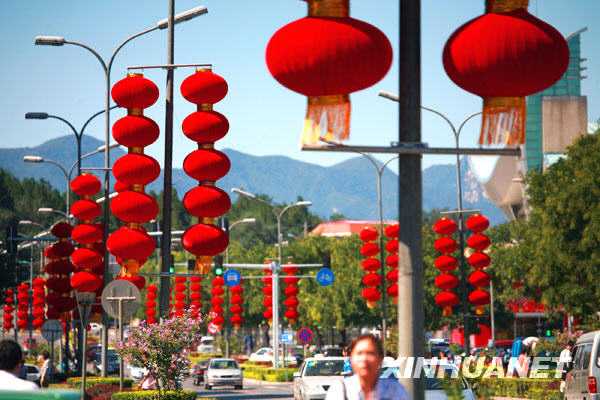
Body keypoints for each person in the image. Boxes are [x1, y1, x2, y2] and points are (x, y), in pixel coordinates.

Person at [326, 334, 408, 400]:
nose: (364, 359)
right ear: (351, 358)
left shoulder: (395, 390)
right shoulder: (339, 390)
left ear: (380, 359)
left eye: (370, 353)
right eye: (359, 353)